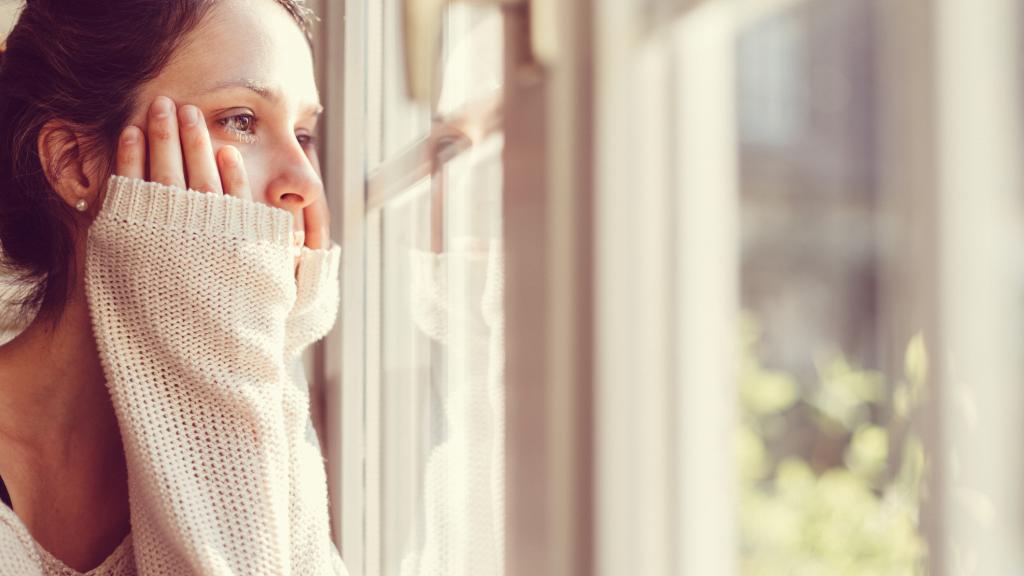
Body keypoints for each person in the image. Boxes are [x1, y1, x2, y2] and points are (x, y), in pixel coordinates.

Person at [0, 0, 347, 574]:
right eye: (240, 119)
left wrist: (257, 357)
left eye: (304, 134)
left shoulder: (262, 415)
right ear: (73, 163)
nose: (305, 183)